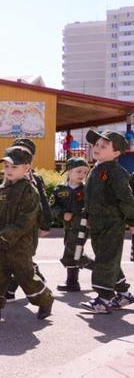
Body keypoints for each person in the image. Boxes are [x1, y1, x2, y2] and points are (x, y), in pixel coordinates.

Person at [0, 146, 54, 322]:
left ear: (27, 168)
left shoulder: (29, 190)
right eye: (6, 166)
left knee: (25, 276)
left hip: (19, 244)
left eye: (14, 167)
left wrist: (7, 234)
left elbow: (26, 219)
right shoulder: (4, 187)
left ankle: (45, 300)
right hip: (0, 241)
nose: (8, 170)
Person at [79, 130, 134, 313]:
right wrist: (86, 215)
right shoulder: (96, 169)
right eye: (96, 145)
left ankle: (103, 299)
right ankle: (124, 294)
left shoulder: (117, 172)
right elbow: (91, 196)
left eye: (104, 146)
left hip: (112, 223)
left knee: (105, 259)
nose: (98, 148)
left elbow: (126, 199)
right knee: (109, 259)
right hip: (97, 223)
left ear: (116, 153)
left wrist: (132, 220)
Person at [50, 157, 94, 292]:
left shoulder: (87, 190)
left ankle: (102, 271)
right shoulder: (59, 189)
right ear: (69, 172)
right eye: (79, 171)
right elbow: (52, 206)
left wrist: (90, 220)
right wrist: (62, 213)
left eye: (85, 172)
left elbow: (93, 207)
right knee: (73, 251)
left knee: (74, 252)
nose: (82, 175)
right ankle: (73, 282)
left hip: (82, 226)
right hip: (68, 226)